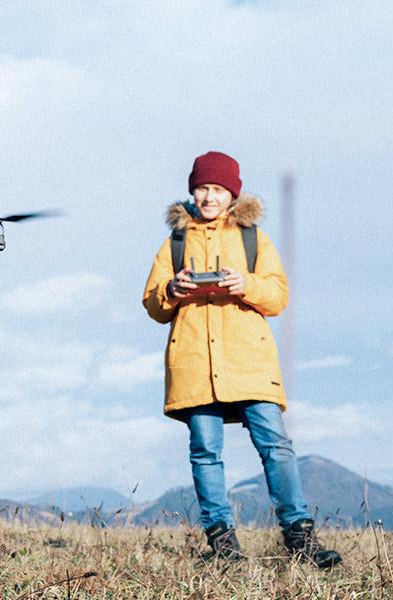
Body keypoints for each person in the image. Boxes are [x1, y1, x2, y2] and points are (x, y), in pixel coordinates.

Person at [142, 151, 341, 568]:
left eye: (217, 189)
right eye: (202, 188)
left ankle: (300, 538)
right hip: (195, 363)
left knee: (277, 446)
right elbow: (153, 304)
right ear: (193, 190)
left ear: (232, 194)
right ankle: (223, 546)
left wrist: (243, 283)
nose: (209, 197)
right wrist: (172, 291)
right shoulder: (175, 242)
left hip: (249, 362)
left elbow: (278, 296)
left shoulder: (254, 238)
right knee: (204, 452)